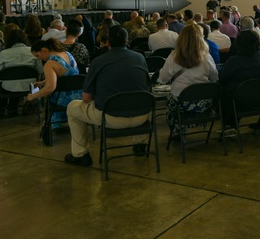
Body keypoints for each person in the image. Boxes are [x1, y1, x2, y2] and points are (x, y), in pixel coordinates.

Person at [64, 26, 151, 167]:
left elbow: (86, 98)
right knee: (140, 99)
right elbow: (147, 88)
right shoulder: (140, 58)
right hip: (142, 117)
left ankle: (80, 154)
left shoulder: (98, 62)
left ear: (108, 43)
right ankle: (140, 145)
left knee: (72, 107)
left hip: (110, 117)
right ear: (127, 41)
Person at [158, 24, 220, 130]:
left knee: (170, 101)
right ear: (201, 38)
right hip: (204, 102)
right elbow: (215, 79)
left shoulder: (174, 56)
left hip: (180, 103)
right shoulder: (207, 57)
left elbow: (162, 79)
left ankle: (177, 131)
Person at [26, 38, 81, 132]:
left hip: (63, 99)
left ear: (44, 50)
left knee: (49, 98)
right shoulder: (67, 54)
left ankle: (60, 124)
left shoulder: (49, 64)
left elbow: (50, 88)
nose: (38, 59)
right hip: (78, 95)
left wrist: (33, 96)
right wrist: (43, 82)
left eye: (38, 55)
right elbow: (66, 76)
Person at [218, 30, 260, 126]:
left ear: (238, 44)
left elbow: (222, 79)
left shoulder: (233, 61)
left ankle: (229, 125)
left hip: (237, 103)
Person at [0, 26, 42, 118]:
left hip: (9, 86)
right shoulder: (32, 52)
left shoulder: (4, 53)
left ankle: (1, 110)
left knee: (3, 85)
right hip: (30, 86)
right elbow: (40, 70)